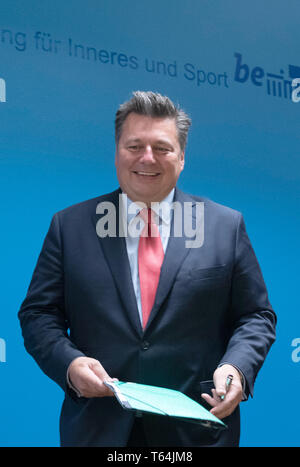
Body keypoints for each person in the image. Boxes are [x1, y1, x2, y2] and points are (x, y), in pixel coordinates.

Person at [18, 91, 276, 447]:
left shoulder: (224, 226)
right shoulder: (70, 226)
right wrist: (69, 365)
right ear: (116, 153)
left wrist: (236, 368)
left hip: (196, 432)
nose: (147, 158)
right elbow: (38, 314)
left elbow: (256, 316)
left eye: (163, 148)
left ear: (182, 157)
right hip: (98, 429)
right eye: (135, 146)